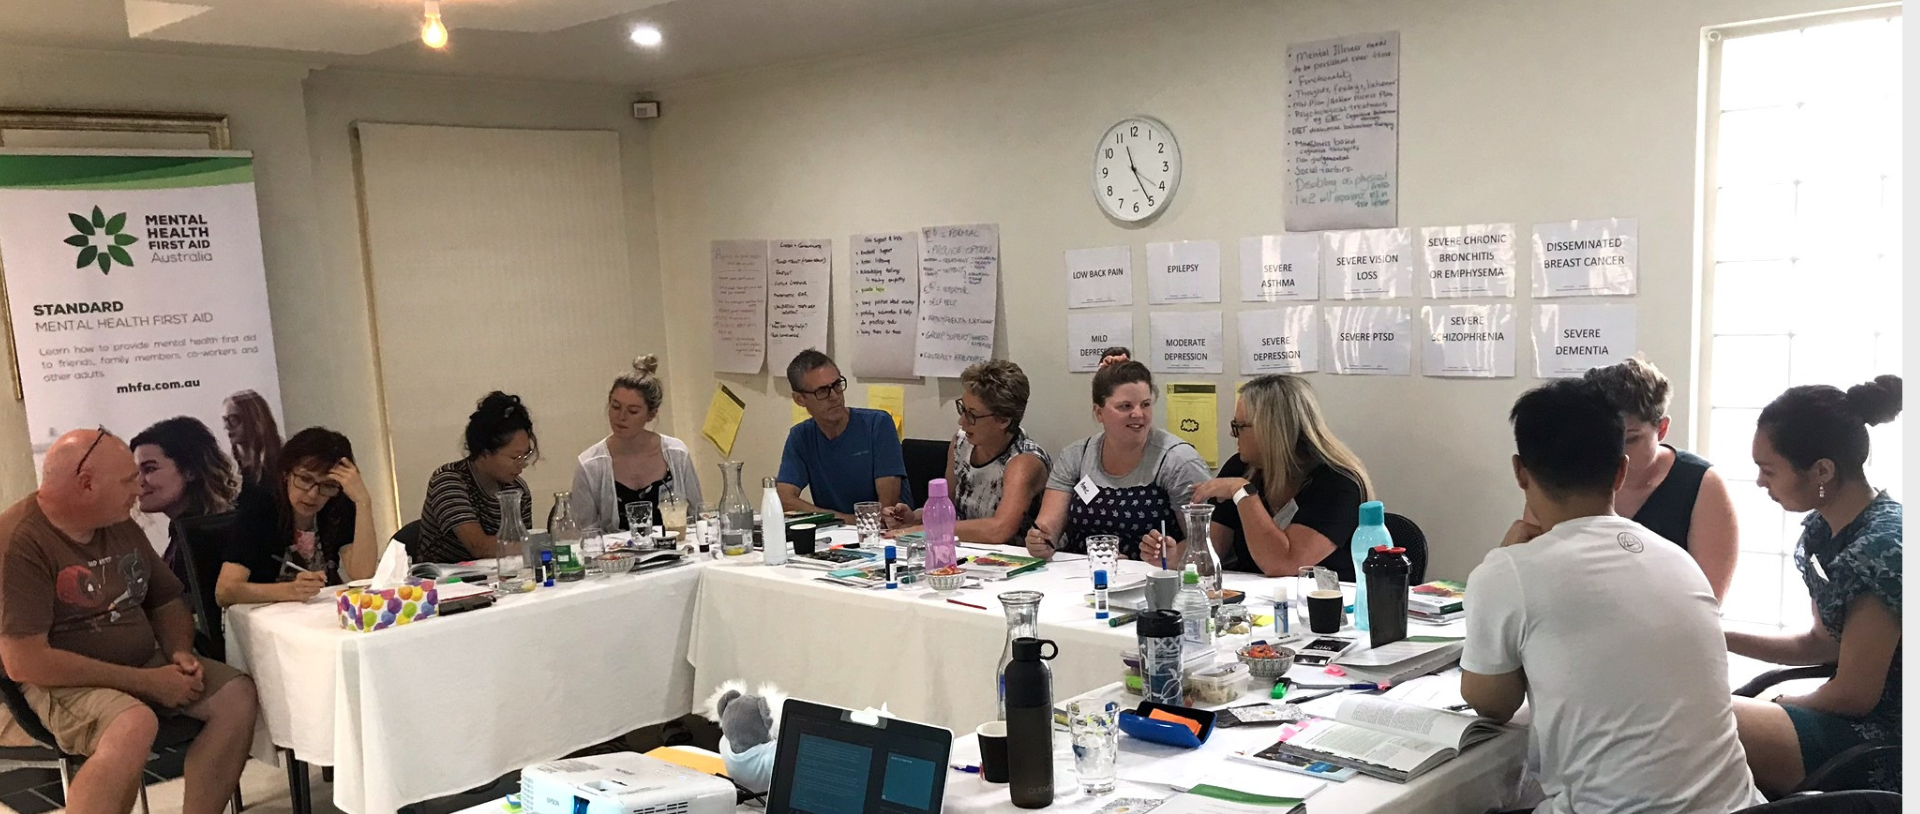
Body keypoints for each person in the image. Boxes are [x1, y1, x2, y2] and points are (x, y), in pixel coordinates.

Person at [1459, 380, 1764, 814]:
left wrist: (1506, 560)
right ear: (1620, 471)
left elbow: (1491, 704)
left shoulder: (1508, 570)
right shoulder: (1678, 560)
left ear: (1520, 471)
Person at [0, 429, 258, 814]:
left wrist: (179, 653)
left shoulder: (116, 519)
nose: (138, 489)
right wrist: (147, 684)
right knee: (133, 725)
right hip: (62, 682)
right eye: (127, 481)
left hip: (144, 661)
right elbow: (25, 662)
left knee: (237, 697)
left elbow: (166, 597)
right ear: (86, 485)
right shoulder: (19, 541)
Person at [1727, 376, 1902, 795]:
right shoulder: (1823, 532)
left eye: (1768, 470)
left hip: (1886, 740)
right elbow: (1822, 645)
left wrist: (1780, 706)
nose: (1759, 483)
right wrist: (1718, 635)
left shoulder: (1883, 546)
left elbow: (1855, 695)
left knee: (1697, 720)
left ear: (1823, 470)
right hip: (1853, 718)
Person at [1143, 375, 1372, 579]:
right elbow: (1211, 548)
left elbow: (1283, 563)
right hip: (1255, 603)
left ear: (1270, 429)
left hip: (1327, 608)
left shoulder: (1338, 482)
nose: (1232, 434)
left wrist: (1244, 493)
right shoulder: (1241, 467)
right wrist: (1174, 555)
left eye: (1238, 426)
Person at [1580, 358, 1739, 600]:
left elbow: (1707, 601)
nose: (1612, 452)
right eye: (1599, 438)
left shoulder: (1701, 485)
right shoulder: (1573, 473)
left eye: (1630, 439)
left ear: (1662, 429)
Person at [1025, 361, 1209, 561]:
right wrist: (1040, 541)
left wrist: (1171, 557)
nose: (1138, 414)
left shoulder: (1179, 461)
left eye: (1145, 404)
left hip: (1152, 577)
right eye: (1125, 406)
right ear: (1099, 412)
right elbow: (1048, 528)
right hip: (1081, 574)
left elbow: (1205, 543)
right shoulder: (1076, 456)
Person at [881, 360, 1051, 545]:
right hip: (968, 552)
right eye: (963, 408)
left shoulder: (1023, 461)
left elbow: (999, 530)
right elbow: (948, 507)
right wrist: (915, 518)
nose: (962, 421)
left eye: (973, 414)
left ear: (1003, 420)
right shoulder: (962, 442)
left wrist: (921, 531)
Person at [215, 428, 379, 606]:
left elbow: (362, 575)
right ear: (286, 472)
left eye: (328, 485)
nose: (312, 495)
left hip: (313, 612)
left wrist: (363, 502)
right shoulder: (260, 506)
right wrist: (290, 590)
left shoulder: (336, 502)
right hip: (262, 617)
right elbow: (225, 591)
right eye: (304, 479)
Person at [571, 355, 703, 531]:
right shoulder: (590, 465)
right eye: (615, 407)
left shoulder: (676, 454)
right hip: (616, 557)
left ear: (651, 414)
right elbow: (584, 534)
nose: (621, 416)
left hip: (676, 553)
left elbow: (697, 517)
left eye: (632, 411)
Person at [777, 349, 908, 520]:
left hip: (884, 535)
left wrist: (836, 519)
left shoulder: (877, 424)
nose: (834, 397)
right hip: (836, 534)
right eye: (822, 391)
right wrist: (845, 519)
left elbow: (885, 510)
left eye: (837, 385)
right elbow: (784, 500)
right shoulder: (801, 436)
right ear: (800, 399)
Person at [416, 392, 538, 562]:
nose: (522, 464)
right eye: (514, 457)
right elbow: (479, 547)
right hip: (445, 582)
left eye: (526, 455)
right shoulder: (449, 481)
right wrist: (540, 544)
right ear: (485, 452)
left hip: (499, 577)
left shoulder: (517, 489)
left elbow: (519, 548)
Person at [129, 416, 241, 587]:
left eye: (150, 469)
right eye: (136, 472)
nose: (139, 481)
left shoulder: (205, 539)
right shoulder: (186, 531)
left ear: (190, 471)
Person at [222, 389, 282, 489]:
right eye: (225, 420)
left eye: (233, 419)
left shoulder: (281, 462)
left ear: (253, 419)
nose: (227, 426)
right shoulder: (226, 468)